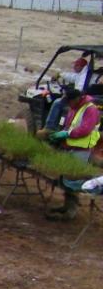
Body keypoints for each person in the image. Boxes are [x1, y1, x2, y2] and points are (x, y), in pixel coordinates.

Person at [45, 87, 101, 220]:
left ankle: (71, 212)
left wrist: (67, 134)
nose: (68, 104)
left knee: (73, 180)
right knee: (66, 179)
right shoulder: (74, 108)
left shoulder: (90, 109)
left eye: (69, 101)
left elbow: (85, 129)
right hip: (71, 146)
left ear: (76, 99)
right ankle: (67, 206)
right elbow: (69, 125)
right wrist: (61, 135)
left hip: (82, 149)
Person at [44, 56, 92, 130]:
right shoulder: (82, 74)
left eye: (75, 66)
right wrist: (60, 74)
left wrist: (67, 94)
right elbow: (72, 77)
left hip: (78, 99)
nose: (74, 67)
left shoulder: (84, 77)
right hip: (83, 98)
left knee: (57, 102)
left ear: (80, 66)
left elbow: (79, 90)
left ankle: (49, 127)